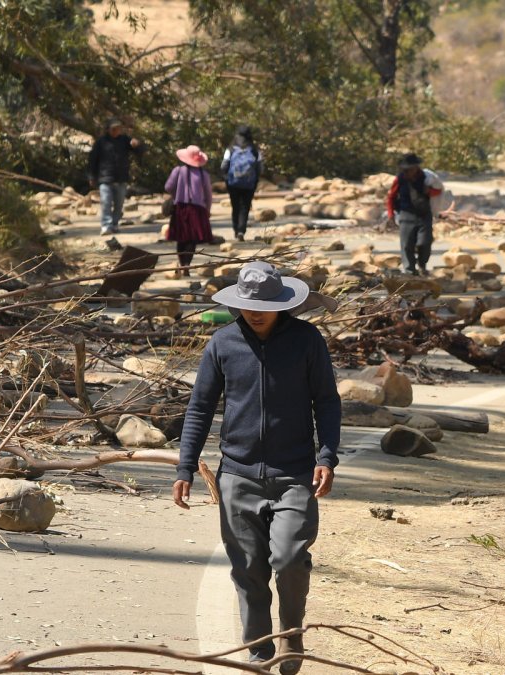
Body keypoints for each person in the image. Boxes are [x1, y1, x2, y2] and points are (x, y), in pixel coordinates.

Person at [172, 261, 341, 674]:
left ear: (282, 305)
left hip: (294, 474)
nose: (256, 312)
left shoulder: (306, 340)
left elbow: (327, 401)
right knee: (248, 570)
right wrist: (185, 467)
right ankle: (261, 653)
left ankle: (291, 631)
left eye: (265, 304)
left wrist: (327, 456)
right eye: (250, 305)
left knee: (289, 559)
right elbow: (200, 408)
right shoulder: (223, 343)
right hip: (239, 474)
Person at [384, 153, 444, 275]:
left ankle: (422, 264)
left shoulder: (427, 178)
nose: (406, 172)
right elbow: (391, 197)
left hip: (424, 214)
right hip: (406, 215)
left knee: (425, 242)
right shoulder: (399, 179)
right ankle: (410, 270)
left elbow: (438, 191)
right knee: (406, 244)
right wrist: (391, 214)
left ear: (416, 168)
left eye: (409, 170)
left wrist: (429, 191)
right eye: (404, 170)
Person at [87, 118, 144, 236]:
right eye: (113, 128)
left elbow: (140, 152)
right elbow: (93, 160)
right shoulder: (101, 142)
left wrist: (137, 145)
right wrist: (92, 176)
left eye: (118, 128)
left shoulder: (125, 140)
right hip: (105, 178)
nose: (116, 130)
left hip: (121, 178)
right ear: (108, 129)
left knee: (119, 204)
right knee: (106, 202)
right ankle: (106, 225)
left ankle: (114, 224)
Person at [164, 145, 214, 276]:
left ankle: (182, 263)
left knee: (181, 237)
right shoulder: (204, 175)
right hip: (198, 210)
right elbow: (208, 195)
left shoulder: (178, 171)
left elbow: (168, 187)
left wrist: (177, 194)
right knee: (192, 239)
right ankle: (187, 264)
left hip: (181, 208)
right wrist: (208, 209)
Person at [221, 126, 263, 242]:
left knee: (235, 206)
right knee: (245, 207)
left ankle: (236, 230)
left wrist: (226, 177)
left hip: (233, 183)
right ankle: (241, 231)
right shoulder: (254, 149)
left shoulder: (231, 148)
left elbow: (224, 165)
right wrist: (255, 179)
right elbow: (260, 168)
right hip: (249, 183)